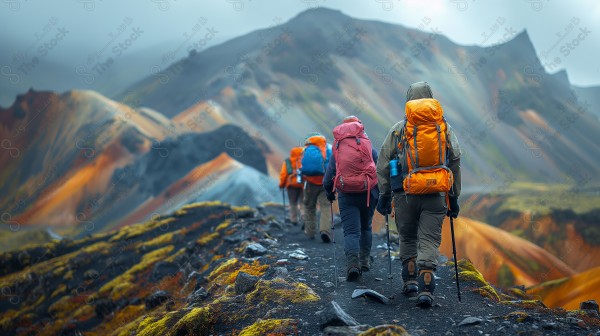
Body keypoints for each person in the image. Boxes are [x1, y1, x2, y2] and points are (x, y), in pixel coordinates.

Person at [376, 82, 462, 308]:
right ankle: (426, 287)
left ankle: (410, 280)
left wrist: (384, 195)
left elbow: (383, 162)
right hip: (436, 193)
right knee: (429, 239)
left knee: (407, 236)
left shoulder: (399, 129)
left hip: (405, 194)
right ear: (431, 98)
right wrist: (453, 197)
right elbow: (455, 160)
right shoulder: (443, 128)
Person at [324, 116, 379, 281]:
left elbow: (329, 175)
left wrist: (329, 192)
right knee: (366, 227)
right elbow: (377, 167)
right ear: (359, 126)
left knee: (351, 231)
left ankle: (353, 264)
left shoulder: (338, 146)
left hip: (346, 194)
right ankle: (365, 260)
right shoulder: (366, 143)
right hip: (368, 192)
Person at [301, 133, 332, 242]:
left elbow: (302, 166)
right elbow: (334, 164)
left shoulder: (307, 149)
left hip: (310, 182)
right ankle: (324, 231)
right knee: (326, 206)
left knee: (309, 206)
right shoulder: (329, 148)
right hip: (326, 181)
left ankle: (310, 232)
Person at [279, 146, 305, 225]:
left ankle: (294, 219)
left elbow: (283, 174)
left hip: (291, 185)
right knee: (302, 202)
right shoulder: (303, 161)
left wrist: (282, 184)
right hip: (302, 185)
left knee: (293, 202)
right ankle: (304, 217)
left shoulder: (287, 162)